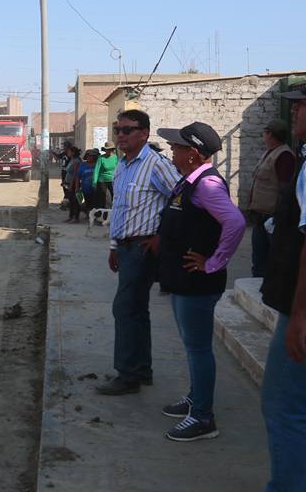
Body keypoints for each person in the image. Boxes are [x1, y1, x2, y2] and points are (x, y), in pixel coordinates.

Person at [155, 122, 244, 441]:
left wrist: (214, 262)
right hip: (184, 280)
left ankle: (203, 418)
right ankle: (196, 398)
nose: (171, 150)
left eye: (177, 147)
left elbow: (235, 222)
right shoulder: (189, 181)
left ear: (192, 154)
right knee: (193, 346)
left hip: (198, 283)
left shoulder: (207, 185)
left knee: (198, 349)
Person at [96, 109, 180, 395]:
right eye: (117, 130)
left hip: (143, 248)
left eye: (127, 130)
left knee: (125, 309)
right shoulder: (123, 165)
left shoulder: (156, 165)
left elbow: (182, 199)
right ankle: (141, 370)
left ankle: (128, 376)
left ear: (144, 133)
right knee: (136, 310)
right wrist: (113, 247)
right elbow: (120, 209)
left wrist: (161, 236)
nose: (120, 135)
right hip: (125, 246)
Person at [261, 90, 306, 491]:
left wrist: (300, 316)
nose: (294, 109)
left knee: (284, 407)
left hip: (301, 309)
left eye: (302, 104)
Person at [248, 119, 295, 278]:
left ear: (270, 134)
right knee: (259, 259)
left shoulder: (284, 155)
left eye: (265, 132)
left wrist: (278, 216)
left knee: (273, 259)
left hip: (272, 218)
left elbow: (284, 188)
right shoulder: (270, 152)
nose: (263, 136)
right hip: (261, 216)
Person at [94, 141, 118, 209]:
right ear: (105, 150)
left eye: (110, 149)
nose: (109, 151)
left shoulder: (115, 157)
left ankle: (114, 211)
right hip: (102, 180)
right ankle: (102, 212)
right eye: (107, 149)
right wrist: (94, 182)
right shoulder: (101, 158)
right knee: (102, 197)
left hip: (113, 179)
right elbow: (96, 170)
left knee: (114, 196)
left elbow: (118, 169)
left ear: (113, 149)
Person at [64, 146, 83, 224]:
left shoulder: (76, 161)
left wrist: (72, 186)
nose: (68, 153)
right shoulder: (72, 160)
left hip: (74, 184)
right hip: (69, 183)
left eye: (69, 151)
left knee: (75, 201)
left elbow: (75, 175)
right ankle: (71, 216)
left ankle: (76, 218)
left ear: (73, 152)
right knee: (71, 201)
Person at [78, 149, 100, 213]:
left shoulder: (98, 164)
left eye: (91, 156)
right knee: (86, 203)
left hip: (95, 189)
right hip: (85, 188)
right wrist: (77, 187)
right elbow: (78, 176)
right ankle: (88, 215)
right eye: (88, 156)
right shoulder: (82, 165)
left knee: (95, 204)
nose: (89, 157)